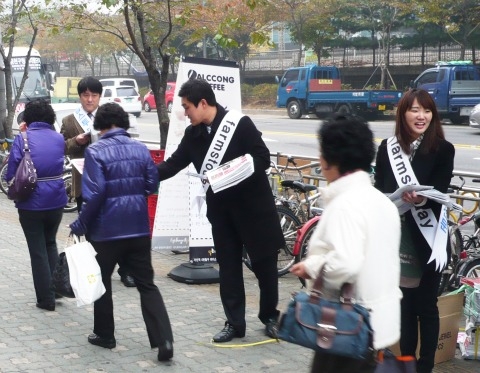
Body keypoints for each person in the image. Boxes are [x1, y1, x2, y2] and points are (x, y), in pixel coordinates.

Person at [156, 78, 285, 343]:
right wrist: (138, 174)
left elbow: (263, 157)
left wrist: (233, 173)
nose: (184, 112)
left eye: (187, 106)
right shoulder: (192, 136)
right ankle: (235, 324)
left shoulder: (239, 124)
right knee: (228, 270)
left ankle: (269, 316)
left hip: (254, 210)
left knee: (265, 267)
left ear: (203, 103)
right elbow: (171, 166)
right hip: (222, 215)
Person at [290, 114, 402, 373]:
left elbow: (346, 263)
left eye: (321, 152)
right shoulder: (382, 202)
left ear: (332, 160)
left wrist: (311, 267)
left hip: (348, 327)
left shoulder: (345, 205)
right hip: (379, 326)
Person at [69, 102, 174, 361]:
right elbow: (152, 183)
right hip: (138, 228)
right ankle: (164, 341)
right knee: (146, 284)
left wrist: (80, 223)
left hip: (106, 232)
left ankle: (105, 335)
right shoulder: (140, 149)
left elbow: (95, 194)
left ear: (101, 125)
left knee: (102, 281)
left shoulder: (95, 151)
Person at [374, 88, 455, 373]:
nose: (421, 116)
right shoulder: (387, 147)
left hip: (429, 239)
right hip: (398, 240)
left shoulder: (443, 149)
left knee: (426, 306)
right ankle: (406, 361)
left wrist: (420, 198)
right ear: (403, 113)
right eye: (415, 110)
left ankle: (426, 366)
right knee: (404, 305)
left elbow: (440, 190)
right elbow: (380, 189)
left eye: (427, 110)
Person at [60, 76, 135, 288]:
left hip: (112, 181)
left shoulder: (109, 116)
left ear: (100, 96)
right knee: (92, 230)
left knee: (118, 228)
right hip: (84, 182)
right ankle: (96, 270)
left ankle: (126, 270)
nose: (90, 99)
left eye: (94, 95)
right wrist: (77, 141)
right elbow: (62, 146)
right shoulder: (69, 120)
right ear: (80, 96)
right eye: (86, 95)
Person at [6, 99, 68, 311]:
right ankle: (56, 289)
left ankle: (46, 300)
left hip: (31, 202)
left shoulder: (22, 138)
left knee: (37, 250)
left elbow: (10, 173)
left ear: (28, 118)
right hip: (57, 201)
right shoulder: (59, 138)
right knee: (50, 243)